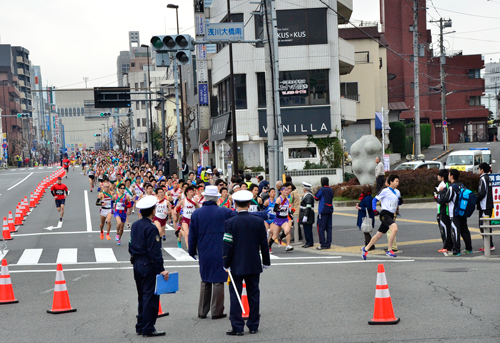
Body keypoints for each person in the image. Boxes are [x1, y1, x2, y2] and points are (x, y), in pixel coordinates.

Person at [223, 190, 271, 336]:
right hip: (254, 262)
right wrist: (266, 262)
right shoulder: (258, 221)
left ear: (235, 204)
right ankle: (253, 325)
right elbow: (264, 243)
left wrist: (226, 262)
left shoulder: (230, 222)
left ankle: (237, 327)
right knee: (254, 294)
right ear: (250, 204)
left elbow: (228, 244)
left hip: (236, 264)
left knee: (236, 294)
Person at [189, 186, 234, 320]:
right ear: (216, 198)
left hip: (204, 249)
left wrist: (192, 251)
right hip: (220, 249)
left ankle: (202, 311)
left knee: (205, 279)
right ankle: (217, 311)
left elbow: (192, 236)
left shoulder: (197, 213)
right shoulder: (224, 212)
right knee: (218, 280)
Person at [129, 195, 169, 337]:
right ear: (153, 211)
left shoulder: (135, 225)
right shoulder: (151, 228)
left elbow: (130, 245)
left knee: (142, 295)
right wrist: (161, 270)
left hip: (137, 263)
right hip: (148, 264)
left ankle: (140, 325)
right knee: (150, 296)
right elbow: (154, 252)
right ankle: (148, 327)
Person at [362, 174, 402, 260]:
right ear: (391, 182)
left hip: (391, 214)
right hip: (384, 214)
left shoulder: (398, 192)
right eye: (396, 181)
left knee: (378, 235)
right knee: (394, 229)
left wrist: (400, 202)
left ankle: (365, 249)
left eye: (398, 181)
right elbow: (374, 200)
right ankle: (389, 250)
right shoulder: (385, 191)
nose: (397, 183)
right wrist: (374, 210)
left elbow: (397, 203)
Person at [436, 169, 473, 256]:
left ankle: (456, 250)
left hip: (454, 212)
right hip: (462, 211)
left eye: (449, 174)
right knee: (464, 230)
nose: (448, 176)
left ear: (452, 176)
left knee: (455, 230)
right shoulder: (462, 185)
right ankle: (469, 248)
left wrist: (440, 193)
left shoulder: (452, 187)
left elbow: (446, 199)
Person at [477, 162, 495, 252]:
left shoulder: (483, 178)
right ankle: (489, 245)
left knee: (484, 226)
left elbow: (482, 193)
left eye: (479, 169)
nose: (478, 171)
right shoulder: (488, 178)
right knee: (487, 225)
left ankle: (489, 245)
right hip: (489, 205)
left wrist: (476, 200)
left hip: (484, 206)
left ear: (482, 170)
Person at [435, 169, 453, 254]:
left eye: (438, 175)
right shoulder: (448, 184)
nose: (437, 176)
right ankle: (449, 245)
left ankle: (447, 247)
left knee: (445, 229)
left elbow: (441, 199)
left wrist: (436, 196)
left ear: (442, 177)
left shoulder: (443, 185)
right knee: (448, 229)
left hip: (443, 211)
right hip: (448, 210)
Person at [314, 177, 334, 250]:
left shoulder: (322, 189)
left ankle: (322, 244)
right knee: (329, 228)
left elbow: (316, 197)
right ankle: (328, 243)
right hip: (330, 210)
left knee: (321, 228)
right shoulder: (331, 189)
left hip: (322, 211)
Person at [356, 185, 375, 250]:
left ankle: (369, 245)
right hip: (367, 216)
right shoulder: (368, 197)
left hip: (365, 217)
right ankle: (369, 245)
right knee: (366, 231)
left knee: (366, 231)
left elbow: (368, 208)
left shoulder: (367, 198)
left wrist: (360, 208)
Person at [299, 182, 315, 248]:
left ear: (305, 189)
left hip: (307, 214)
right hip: (305, 213)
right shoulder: (307, 195)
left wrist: (305, 216)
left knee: (308, 229)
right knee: (306, 229)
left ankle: (309, 242)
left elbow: (308, 207)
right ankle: (308, 242)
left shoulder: (309, 196)